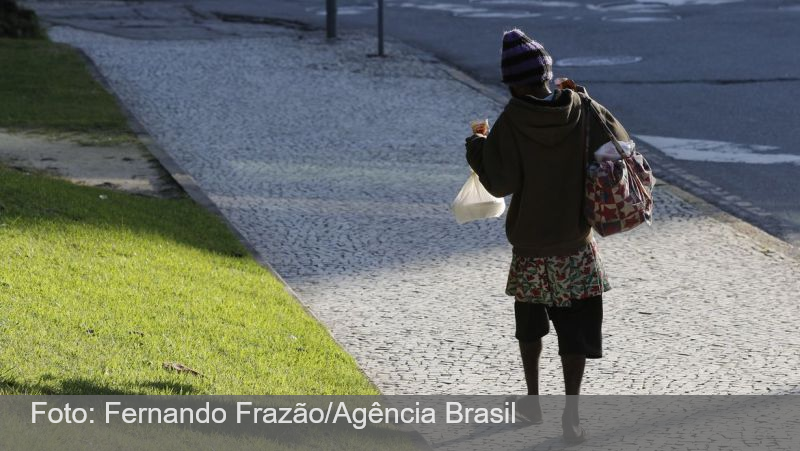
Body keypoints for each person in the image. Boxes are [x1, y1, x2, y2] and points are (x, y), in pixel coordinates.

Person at [464, 28, 630, 444]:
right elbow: (622, 143)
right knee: (575, 331)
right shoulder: (581, 107)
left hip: (532, 247)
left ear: (514, 83)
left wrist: (477, 147)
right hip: (575, 243)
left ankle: (533, 400)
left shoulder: (512, 122)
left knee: (531, 325)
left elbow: (500, 182)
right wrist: (587, 97)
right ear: (547, 75)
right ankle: (571, 416)